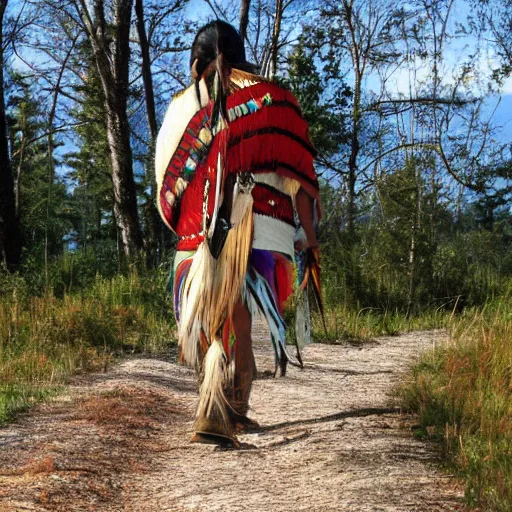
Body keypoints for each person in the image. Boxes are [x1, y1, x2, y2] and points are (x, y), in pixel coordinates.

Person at [155, 20, 321, 447]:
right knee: (240, 320)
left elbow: (163, 186)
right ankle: (235, 411)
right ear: (242, 60)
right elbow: (299, 178)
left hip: (196, 237)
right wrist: (309, 238)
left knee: (211, 317)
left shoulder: (180, 107)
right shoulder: (274, 100)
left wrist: (195, 223)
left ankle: (211, 405)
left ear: (197, 66)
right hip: (258, 232)